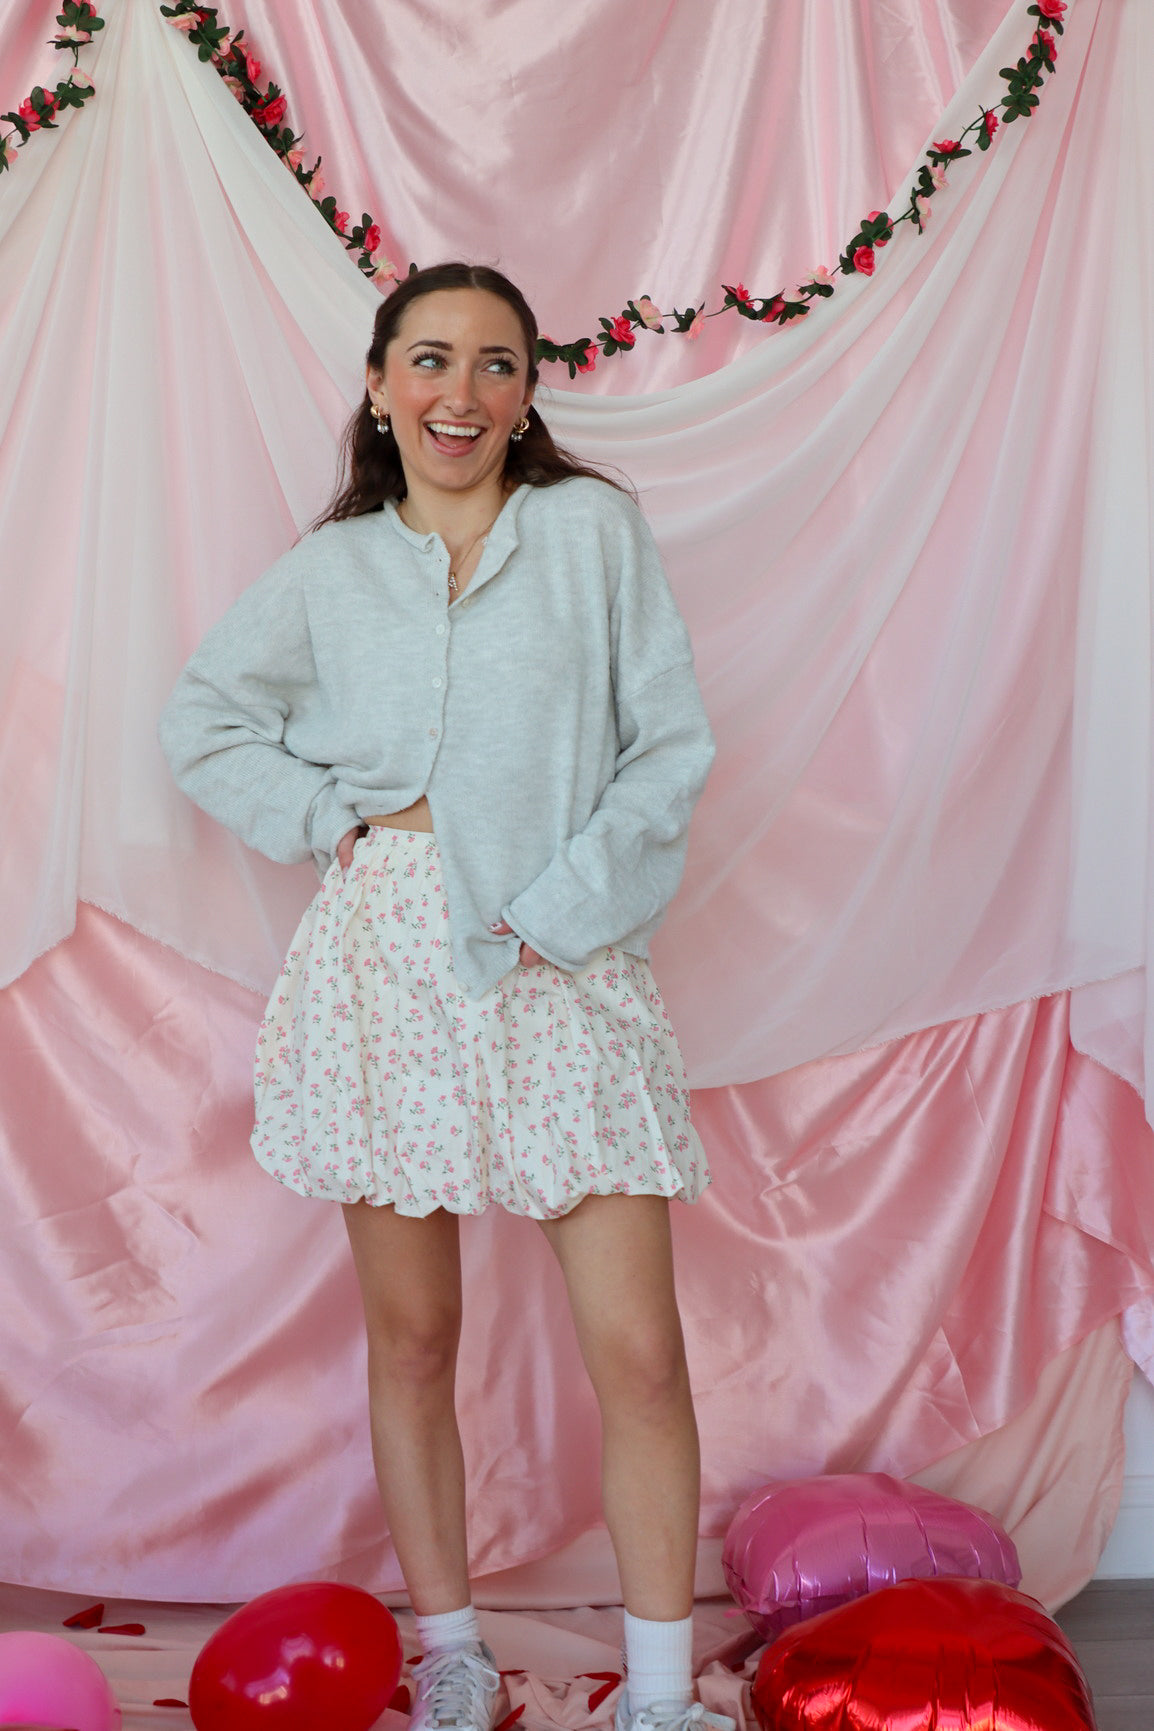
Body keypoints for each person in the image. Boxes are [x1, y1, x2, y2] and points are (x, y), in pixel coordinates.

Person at [159, 262, 724, 1731]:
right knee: (411, 1340)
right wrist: (333, 825)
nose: (457, 393)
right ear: (377, 383)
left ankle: (658, 1698)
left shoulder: (593, 535)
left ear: (528, 388)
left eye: (491, 363)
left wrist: (562, 912)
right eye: (427, 360)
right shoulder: (334, 568)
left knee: (640, 1352)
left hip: (561, 955)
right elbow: (203, 718)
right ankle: (454, 1651)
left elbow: (666, 751)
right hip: (384, 962)